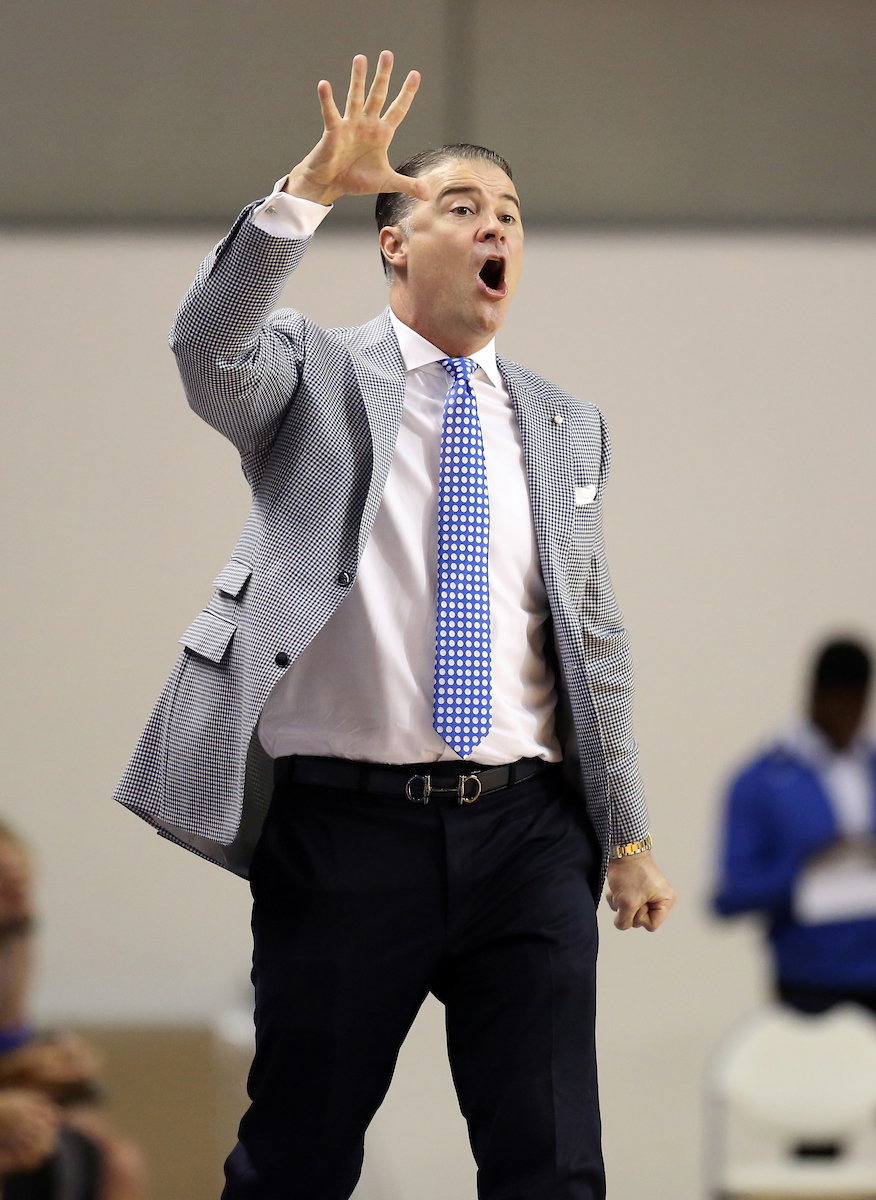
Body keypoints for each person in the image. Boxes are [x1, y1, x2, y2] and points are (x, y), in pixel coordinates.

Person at [115, 51, 676, 1200]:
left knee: (556, 1164)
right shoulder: (314, 377)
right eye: (460, 206)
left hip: (528, 833)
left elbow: (591, 639)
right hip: (344, 834)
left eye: (510, 214)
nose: (493, 228)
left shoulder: (569, 423)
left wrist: (624, 837)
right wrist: (307, 189)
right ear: (393, 241)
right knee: (299, 1160)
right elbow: (204, 347)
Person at [714, 638, 876, 1014]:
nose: (848, 715)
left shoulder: (869, 769)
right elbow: (730, 894)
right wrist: (809, 870)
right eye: (839, 701)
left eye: (857, 704)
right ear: (815, 695)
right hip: (809, 984)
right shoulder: (762, 780)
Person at [0, 823, 146, 1200]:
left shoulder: (15, 936)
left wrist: (37, 1066)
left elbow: (10, 1038)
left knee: (112, 1155)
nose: (21, 910)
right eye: (5, 892)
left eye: (22, 893)